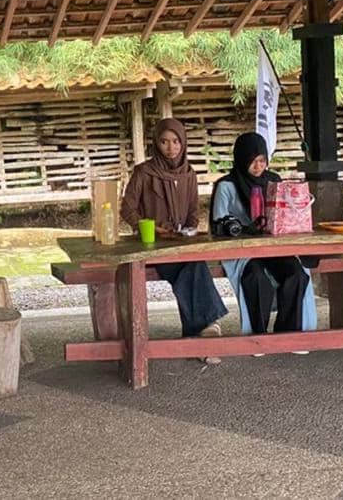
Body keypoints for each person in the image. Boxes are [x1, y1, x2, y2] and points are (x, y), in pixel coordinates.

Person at [120, 119, 227, 341]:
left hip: (181, 242)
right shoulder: (144, 172)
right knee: (192, 266)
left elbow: (193, 212)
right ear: (156, 144)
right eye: (164, 142)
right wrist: (150, 229)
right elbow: (127, 209)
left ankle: (200, 332)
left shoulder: (188, 173)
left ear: (183, 142)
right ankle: (209, 324)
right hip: (152, 245)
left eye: (176, 141)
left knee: (192, 264)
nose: (171, 148)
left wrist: (188, 229)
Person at [210, 132, 317, 335]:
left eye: (262, 161)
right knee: (256, 279)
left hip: (273, 247)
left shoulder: (273, 181)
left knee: (297, 275)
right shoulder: (227, 186)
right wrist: (242, 229)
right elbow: (218, 226)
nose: (258, 167)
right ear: (241, 159)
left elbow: (285, 214)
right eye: (252, 161)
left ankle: (288, 332)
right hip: (243, 250)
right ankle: (257, 336)